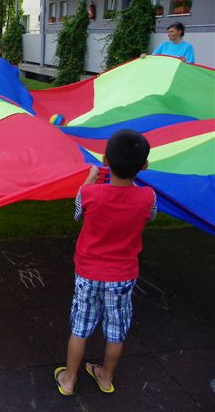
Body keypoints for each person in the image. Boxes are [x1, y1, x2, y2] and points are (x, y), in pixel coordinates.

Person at [54, 129, 157, 396]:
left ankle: (69, 379)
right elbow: (151, 216)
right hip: (122, 276)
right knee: (116, 329)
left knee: (80, 328)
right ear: (144, 166)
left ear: (105, 161)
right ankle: (106, 376)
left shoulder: (90, 194)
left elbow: (78, 213)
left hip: (88, 273)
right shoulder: (148, 197)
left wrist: (89, 180)